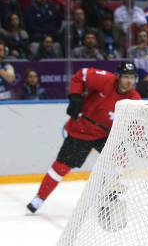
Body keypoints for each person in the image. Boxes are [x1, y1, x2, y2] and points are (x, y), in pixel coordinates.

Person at [27, 62, 141, 214]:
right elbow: (80, 75)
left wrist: (138, 138)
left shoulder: (134, 98)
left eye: (132, 77)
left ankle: (109, 197)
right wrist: (75, 97)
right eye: (126, 77)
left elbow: (136, 122)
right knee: (61, 167)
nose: (129, 81)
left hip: (106, 135)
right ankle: (39, 199)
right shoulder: (104, 80)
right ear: (118, 77)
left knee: (119, 160)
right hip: (81, 131)